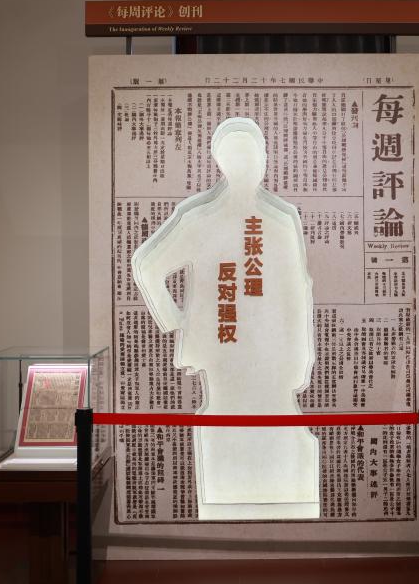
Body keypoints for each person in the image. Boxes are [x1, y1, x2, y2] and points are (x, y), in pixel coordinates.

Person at [131, 117, 320, 520]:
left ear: (264, 161)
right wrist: (174, 320)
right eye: (237, 158)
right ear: (223, 164)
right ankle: (232, 509)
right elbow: (148, 265)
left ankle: (276, 508)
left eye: (253, 157)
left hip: (273, 359)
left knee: (279, 434)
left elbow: (297, 294)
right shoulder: (201, 220)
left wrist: (302, 357)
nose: (248, 166)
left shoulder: (280, 221)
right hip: (223, 354)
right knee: (227, 429)